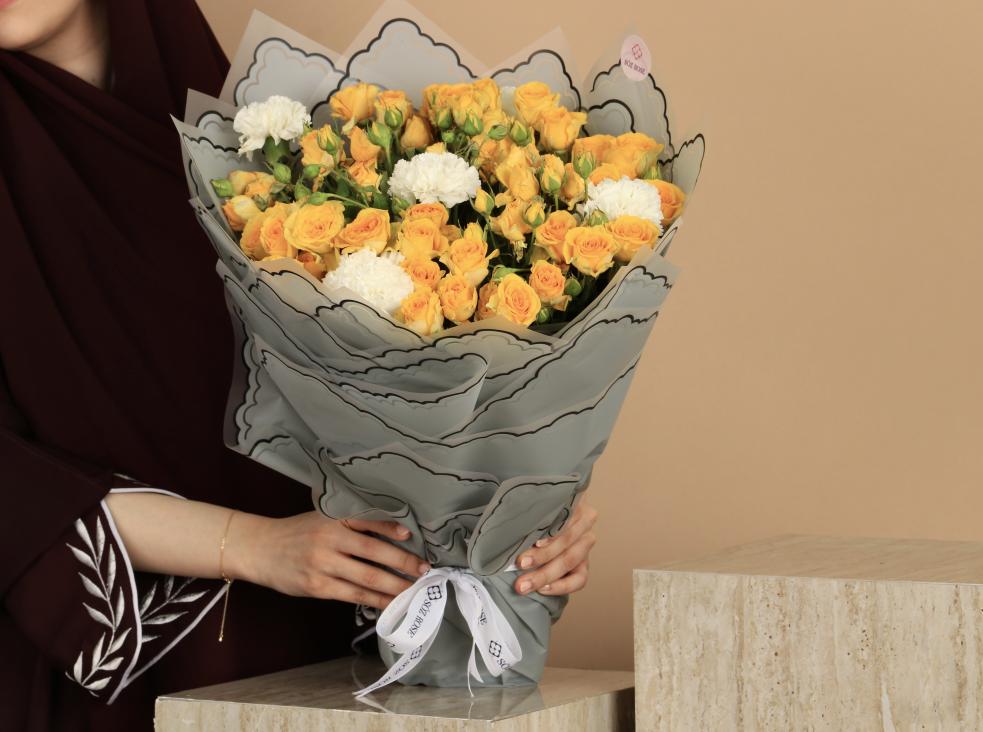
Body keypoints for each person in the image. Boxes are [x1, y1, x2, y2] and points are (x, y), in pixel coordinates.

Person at [0, 0, 598, 729]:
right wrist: (254, 546)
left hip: (328, 657)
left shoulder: (268, 138)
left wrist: (529, 511)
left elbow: (404, 372)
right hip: (111, 669)